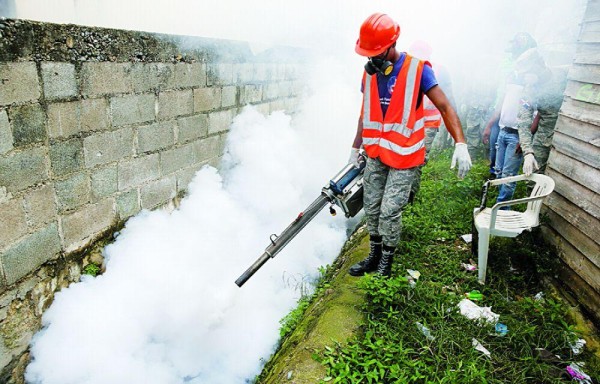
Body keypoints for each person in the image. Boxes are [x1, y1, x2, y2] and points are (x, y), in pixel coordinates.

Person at [347, 13, 472, 278]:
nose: (372, 60)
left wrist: (460, 143)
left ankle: (386, 262)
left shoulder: (418, 70)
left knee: (390, 210)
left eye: (377, 53)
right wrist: (355, 148)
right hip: (377, 153)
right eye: (368, 54)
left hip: (405, 156)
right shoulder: (369, 74)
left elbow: (444, 106)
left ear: (392, 45)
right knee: (371, 205)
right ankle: (374, 254)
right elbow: (364, 112)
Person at [483, 32, 550, 205]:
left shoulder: (547, 84)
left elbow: (537, 115)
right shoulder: (523, 84)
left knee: (509, 174)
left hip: (521, 136)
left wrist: (525, 142)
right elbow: (520, 111)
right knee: (499, 171)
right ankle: (500, 203)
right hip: (506, 129)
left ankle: (503, 209)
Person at [517, 67, 567, 176]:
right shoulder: (529, 89)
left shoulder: (562, 76)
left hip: (567, 135)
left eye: (528, 74)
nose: (526, 79)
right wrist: (527, 152)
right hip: (543, 136)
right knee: (534, 174)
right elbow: (524, 121)